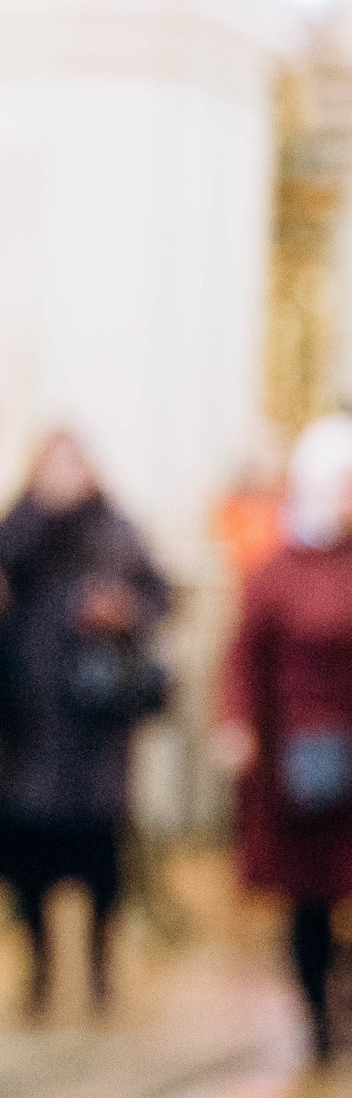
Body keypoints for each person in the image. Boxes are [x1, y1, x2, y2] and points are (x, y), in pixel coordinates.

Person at [0, 432, 171, 1017]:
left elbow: (157, 595)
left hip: (96, 718)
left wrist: (124, 611)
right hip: (33, 717)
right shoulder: (18, 526)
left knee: (99, 852)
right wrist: (39, 514)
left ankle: (98, 971)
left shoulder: (117, 529)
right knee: (32, 852)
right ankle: (37, 969)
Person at [220, 415, 352, 1062]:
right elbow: (243, 658)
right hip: (301, 755)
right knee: (312, 895)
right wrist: (236, 723)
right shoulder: (276, 571)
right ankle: (318, 1011)